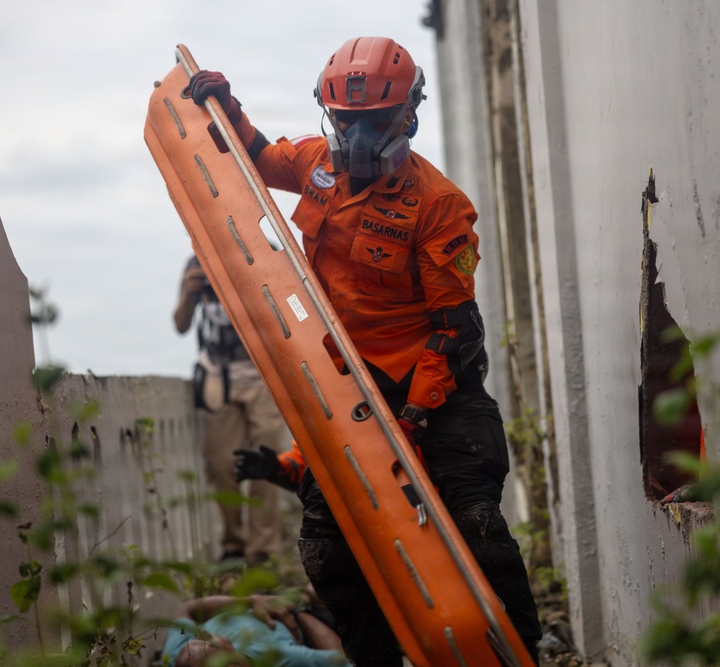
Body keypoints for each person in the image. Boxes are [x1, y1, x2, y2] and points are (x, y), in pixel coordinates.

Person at [188, 36, 542, 665]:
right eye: (346, 123)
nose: (357, 138)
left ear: (406, 117)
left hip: (434, 389)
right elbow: (258, 160)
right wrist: (226, 107)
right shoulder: (316, 165)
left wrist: (414, 417)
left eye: (373, 123)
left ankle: (518, 653)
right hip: (355, 386)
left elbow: (456, 331)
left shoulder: (438, 205)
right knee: (330, 548)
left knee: (478, 532)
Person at [173, 255, 287, 564]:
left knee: (267, 464)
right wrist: (188, 292)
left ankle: (264, 551)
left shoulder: (263, 251)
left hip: (265, 375)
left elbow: (286, 312)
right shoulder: (198, 262)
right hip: (218, 377)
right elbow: (181, 325)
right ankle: (233, 544)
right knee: (221, 463)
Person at [160, 592, 350, 666]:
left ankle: (304, 599)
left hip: (279, 611)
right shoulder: (179, 654)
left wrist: (250, 600)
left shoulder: (279, 657)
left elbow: (340, 661)